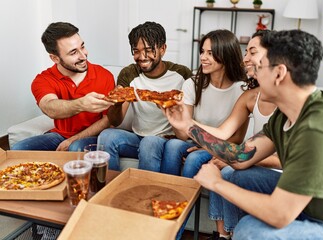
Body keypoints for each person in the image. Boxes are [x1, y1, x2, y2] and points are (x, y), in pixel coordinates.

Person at [165, 30, 323, 239]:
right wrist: (188, 126)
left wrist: (216, 184)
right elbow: (240, 157)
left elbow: (280, 214)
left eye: (260, 67)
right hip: (311, 207)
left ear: (279, 73)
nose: (253, 73)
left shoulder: (318, 129)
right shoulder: (284, 116)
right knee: (238, 177)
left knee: (251, 229)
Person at [192, 30, 280, 240]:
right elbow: (223, 132)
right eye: (245, 52)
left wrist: (240, 160)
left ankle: (231, 234)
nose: (245, 59)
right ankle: (222, 235)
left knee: (231, 172)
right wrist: (186, 123)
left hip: (282, 171)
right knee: (217, 166)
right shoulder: (250, 97)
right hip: (257, 160)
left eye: (252, 52)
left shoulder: (290, 101)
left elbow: (288, 160)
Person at [98, 21, 193, 171]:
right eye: (136, 51)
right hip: (137, 138)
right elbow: (115, 121)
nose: (142, 57)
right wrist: (116, 102)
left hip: (168, 140)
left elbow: (190, 119)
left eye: (148, 50)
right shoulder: (129, 74)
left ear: (163, 49)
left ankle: (147, 193)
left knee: (150, 142)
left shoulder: (182, 74)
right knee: (107, 136)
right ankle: (112, 189)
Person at [11, 22, 115, 151]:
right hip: (60, 135)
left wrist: (73, 140)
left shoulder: (104, 75)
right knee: (18, 148)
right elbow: (49, 107)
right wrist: (81, 104)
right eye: (73, 53)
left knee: (75, 147)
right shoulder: (43, 79)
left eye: (82, 47)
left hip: (93, 136)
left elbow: (108, 120)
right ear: (55, 58)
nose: (84, 56)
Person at [159, 29, 248, 178]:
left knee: (194, 158)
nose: (203, 57)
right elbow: (182, 135)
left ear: (226, 55)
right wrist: (173, 116)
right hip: (194, 142)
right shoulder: (192, 84)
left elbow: (238, 138)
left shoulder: (242, 90)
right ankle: (167, 196)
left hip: (223, 147)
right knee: (173, 145)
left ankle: (188, 201)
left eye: (210, 53)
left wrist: (208, 148)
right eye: (202, 51)